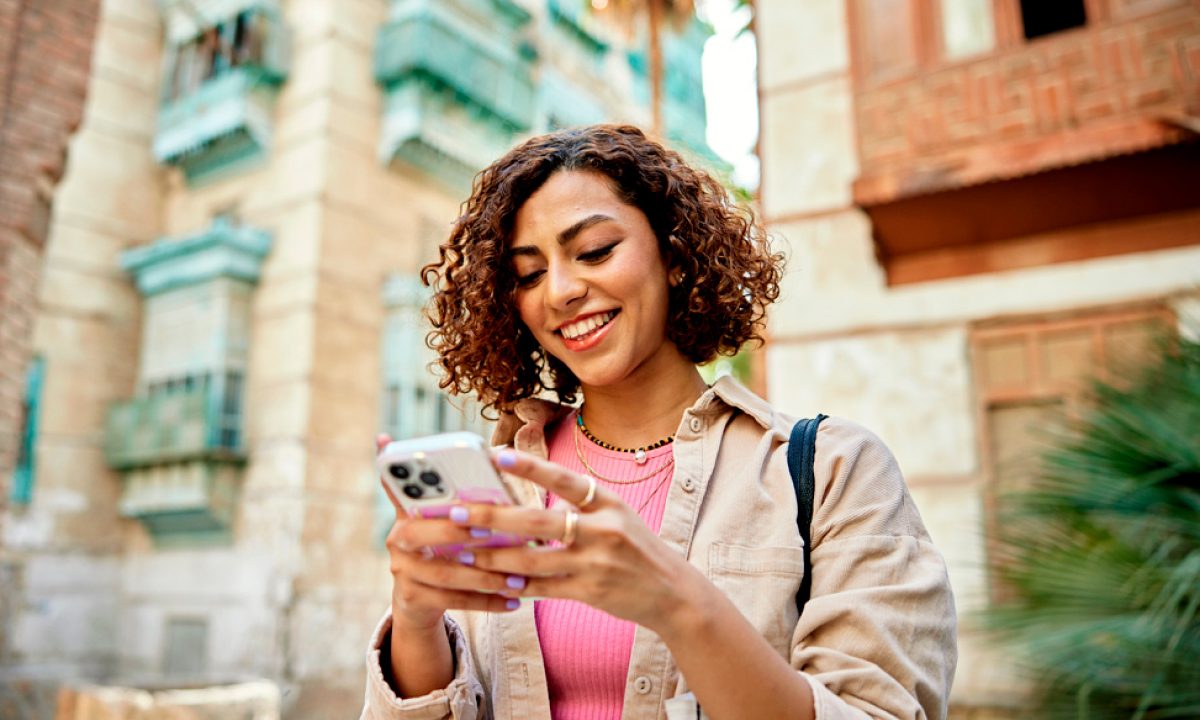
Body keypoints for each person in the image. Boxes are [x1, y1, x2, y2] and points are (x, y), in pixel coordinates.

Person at [360, 125, 956, 720]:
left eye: (594, 251)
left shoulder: (831, 472)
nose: (561, 291)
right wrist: (416, 618)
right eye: (529, 274)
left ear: (674, 256)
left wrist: (678, 604)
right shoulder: (504, 484)